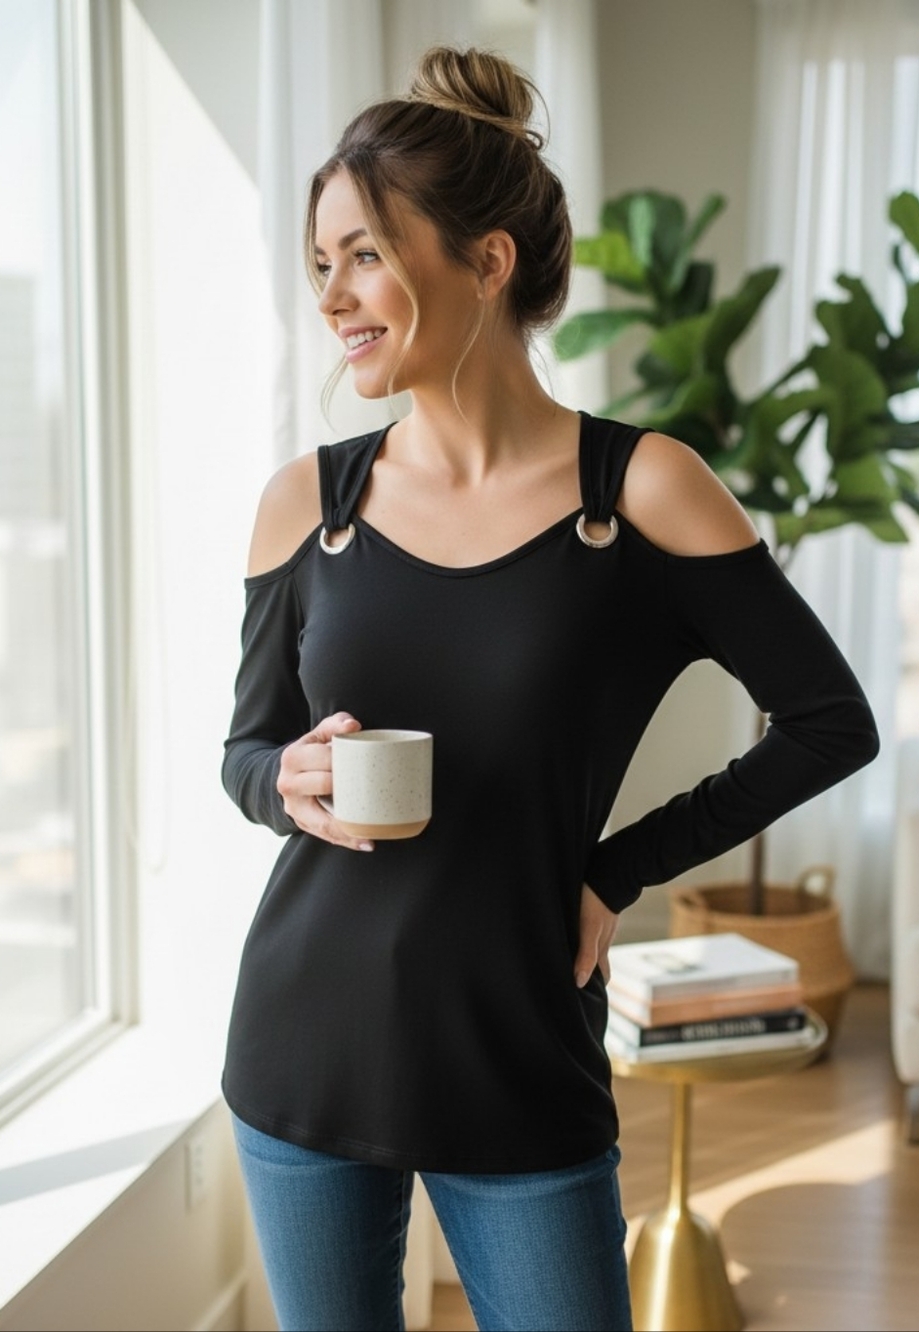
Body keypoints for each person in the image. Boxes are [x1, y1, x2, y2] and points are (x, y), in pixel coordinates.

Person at [221, 45, 879, 1332]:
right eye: (320, 264)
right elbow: (246, 750)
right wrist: (280, 780)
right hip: (302, 1042)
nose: (334, 295)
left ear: (487, 261)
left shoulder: (639, 493)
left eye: (363, 253)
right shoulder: (309, 503)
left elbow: (827, 722)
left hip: (518, 1051)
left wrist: (610, 871)